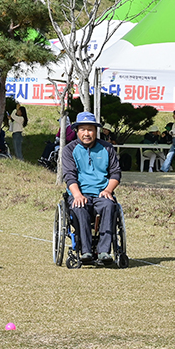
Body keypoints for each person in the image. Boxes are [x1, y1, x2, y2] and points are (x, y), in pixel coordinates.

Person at [61, 112, 122, 263]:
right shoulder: (69, 150)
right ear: (77, 131)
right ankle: (86, 251)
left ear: (96, 131)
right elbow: (69, 175)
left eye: (90, 129)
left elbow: (115, 173)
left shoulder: (107, 148)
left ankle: (104, 252)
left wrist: (107, 190)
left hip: (102, 193)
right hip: (80, 193)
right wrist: (77, 195)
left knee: (109, 205)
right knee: (79, 207)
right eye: (83, 129)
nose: (87, 133)